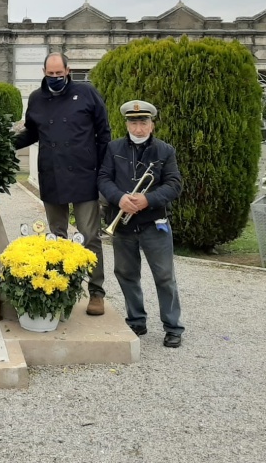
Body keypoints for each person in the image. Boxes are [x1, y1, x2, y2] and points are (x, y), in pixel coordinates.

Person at [14, 53, 111, 315]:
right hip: (52, 175)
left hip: (84, 175)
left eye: (60, 74)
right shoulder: (36, 98)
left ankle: (96, 292)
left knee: (89, 236)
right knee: (57, 237)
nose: (55, 78)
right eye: (50, 74)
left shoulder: (87, 93)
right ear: (43, 72)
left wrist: (103, 171)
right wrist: (6, 146)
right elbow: (32, 133)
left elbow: (104, 133)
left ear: (68, 70)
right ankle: (60, 289)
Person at [98, 100, 185, 348]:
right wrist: (119, 198)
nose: (138, 128)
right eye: (134, 122)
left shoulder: (164, 151)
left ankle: (173, 326)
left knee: (165, 276)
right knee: (126, 274)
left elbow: (173, 184)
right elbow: (103, 178)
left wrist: (148, 199)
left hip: (153, 222)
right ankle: (136, 321)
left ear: (152, 125)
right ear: (127, 124)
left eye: (143, 122)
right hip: (123, 224)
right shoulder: (113, 148)